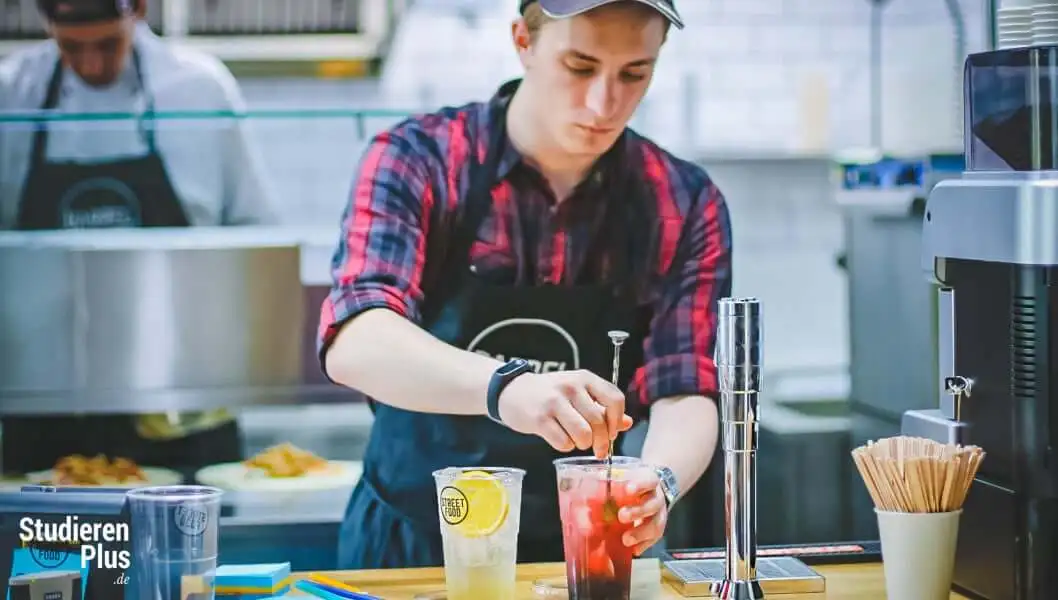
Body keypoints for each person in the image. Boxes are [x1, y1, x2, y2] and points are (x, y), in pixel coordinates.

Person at [319, 0, 731, 569]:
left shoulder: (681, 201)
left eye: (634, 73)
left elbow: (685, 385)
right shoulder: (420, 159)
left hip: (585, 551)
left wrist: (657, 482)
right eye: (580, 66)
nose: (603, 104)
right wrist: (506, 388)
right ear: (523, 41)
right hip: (408, 548)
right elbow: (356, 341)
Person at [0, 0, 277, 474]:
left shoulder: (197, 89)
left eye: (108, 44)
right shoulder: (11, 95)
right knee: (48, 548)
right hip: (44, 406)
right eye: (70, 47)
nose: (90, 64)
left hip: (182, 404)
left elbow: (256, 236)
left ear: (140, 12)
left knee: (187, 546)